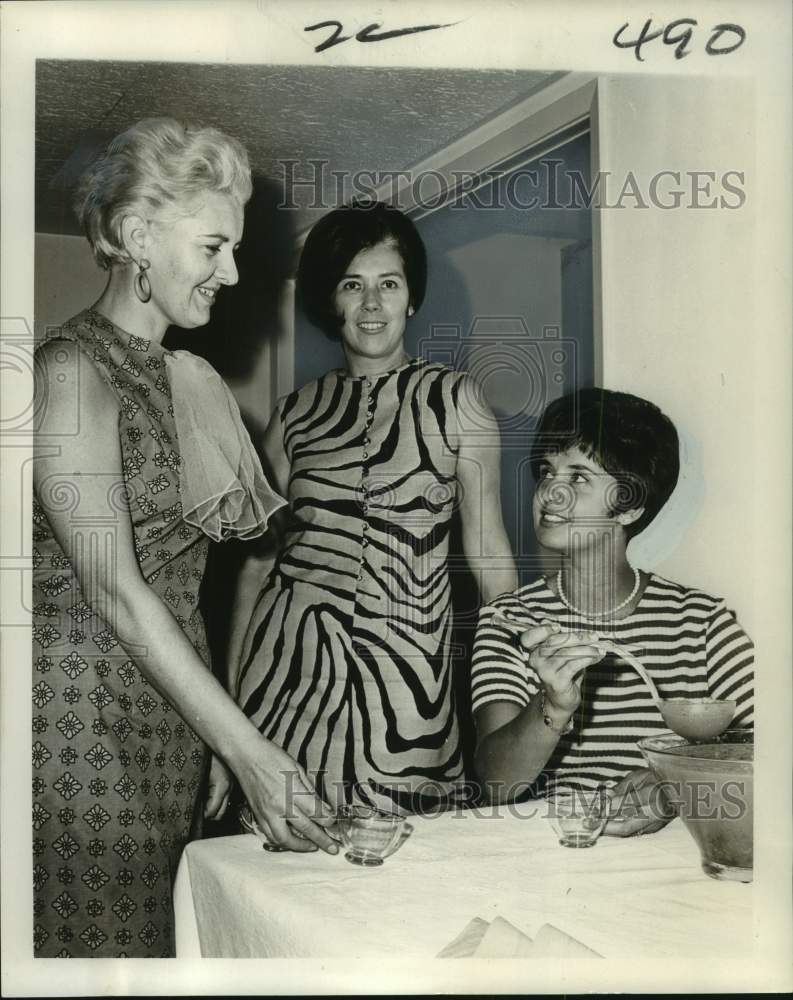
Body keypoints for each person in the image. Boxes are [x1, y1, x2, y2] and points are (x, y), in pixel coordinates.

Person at [32, 118, 338, 959]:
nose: (231, 273)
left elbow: (189, 584)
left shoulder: (189, 379)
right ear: (137, 238)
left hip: (164, 717)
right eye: (212, 248)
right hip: (75, 726)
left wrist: (208, 736)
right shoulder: (68, 373)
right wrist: (247, 749)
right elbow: (115, 590)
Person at [221, 202, 517, 816]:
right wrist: (228, 713)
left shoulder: (456, 400)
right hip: (286, 676)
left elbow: (489, 555)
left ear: (412, 298)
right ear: (333, 301)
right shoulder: (294, 415)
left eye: (389, 283)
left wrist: (509, 689)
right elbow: (254, 569)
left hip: (408, 684)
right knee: (290, 863)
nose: (373, 304)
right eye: (353, 286)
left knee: (404, 873)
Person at [471, 387, 754, 835]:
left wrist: (672, 788)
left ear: (630, 506)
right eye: (547, 471)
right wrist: (554, 706)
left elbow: (769, 753)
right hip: (552, 854)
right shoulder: (509, 619)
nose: (549, 493)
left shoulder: (703, 623)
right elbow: (497, 785)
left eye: (579, 477)